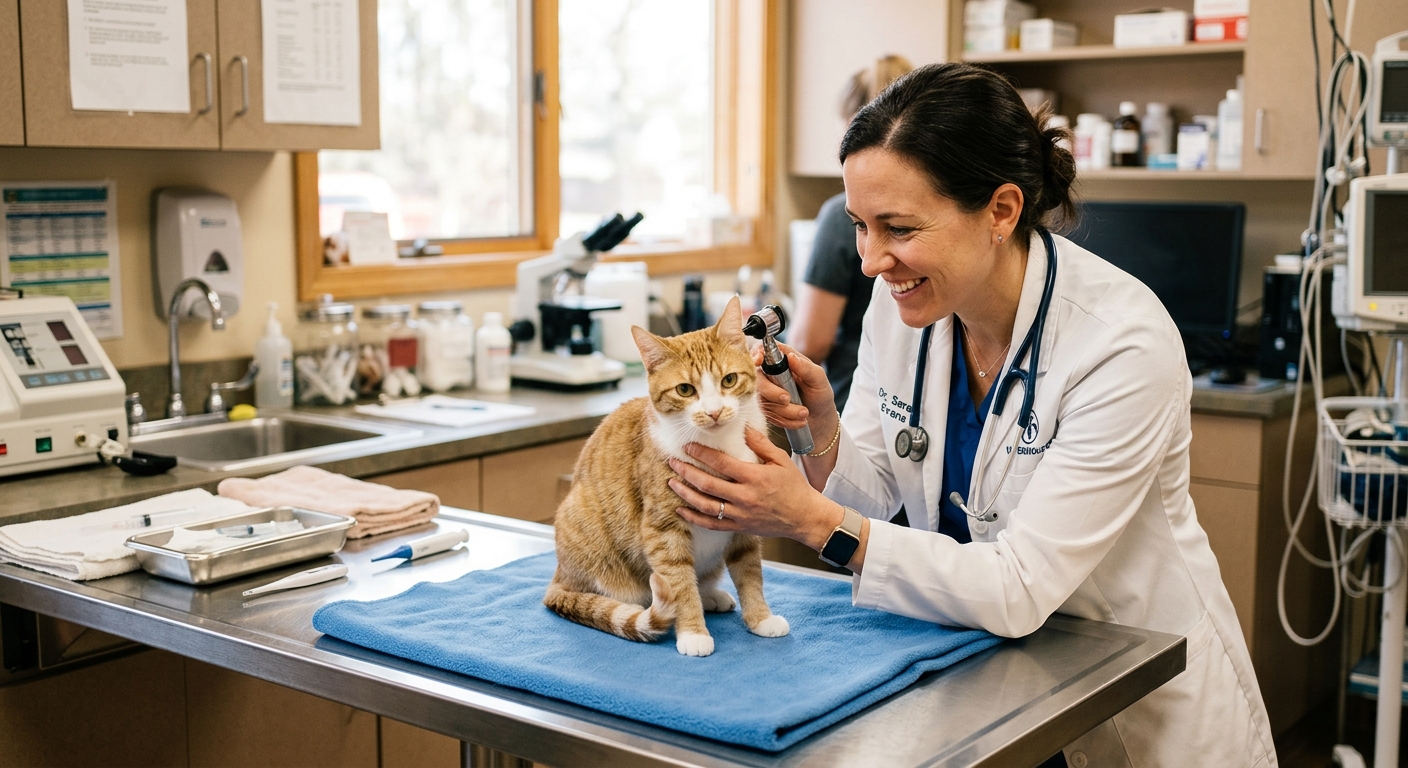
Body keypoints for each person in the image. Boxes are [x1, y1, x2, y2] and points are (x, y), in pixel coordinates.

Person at [667, 63, 1276, 766]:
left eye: (898, 228)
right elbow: (874, 496)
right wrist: (821, 426)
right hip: (984, 683)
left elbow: (1019, 586)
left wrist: (809, 520)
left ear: (1001, 211)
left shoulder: (1121, 343)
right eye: (861, 226)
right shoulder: (905, 306)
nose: (870, 261)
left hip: (1127, 697)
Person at [790, 55, 911, 414]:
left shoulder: (838, 215)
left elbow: (809, 343)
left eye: (900, 228)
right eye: (861, 226)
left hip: (851, 405)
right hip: (891, 404)